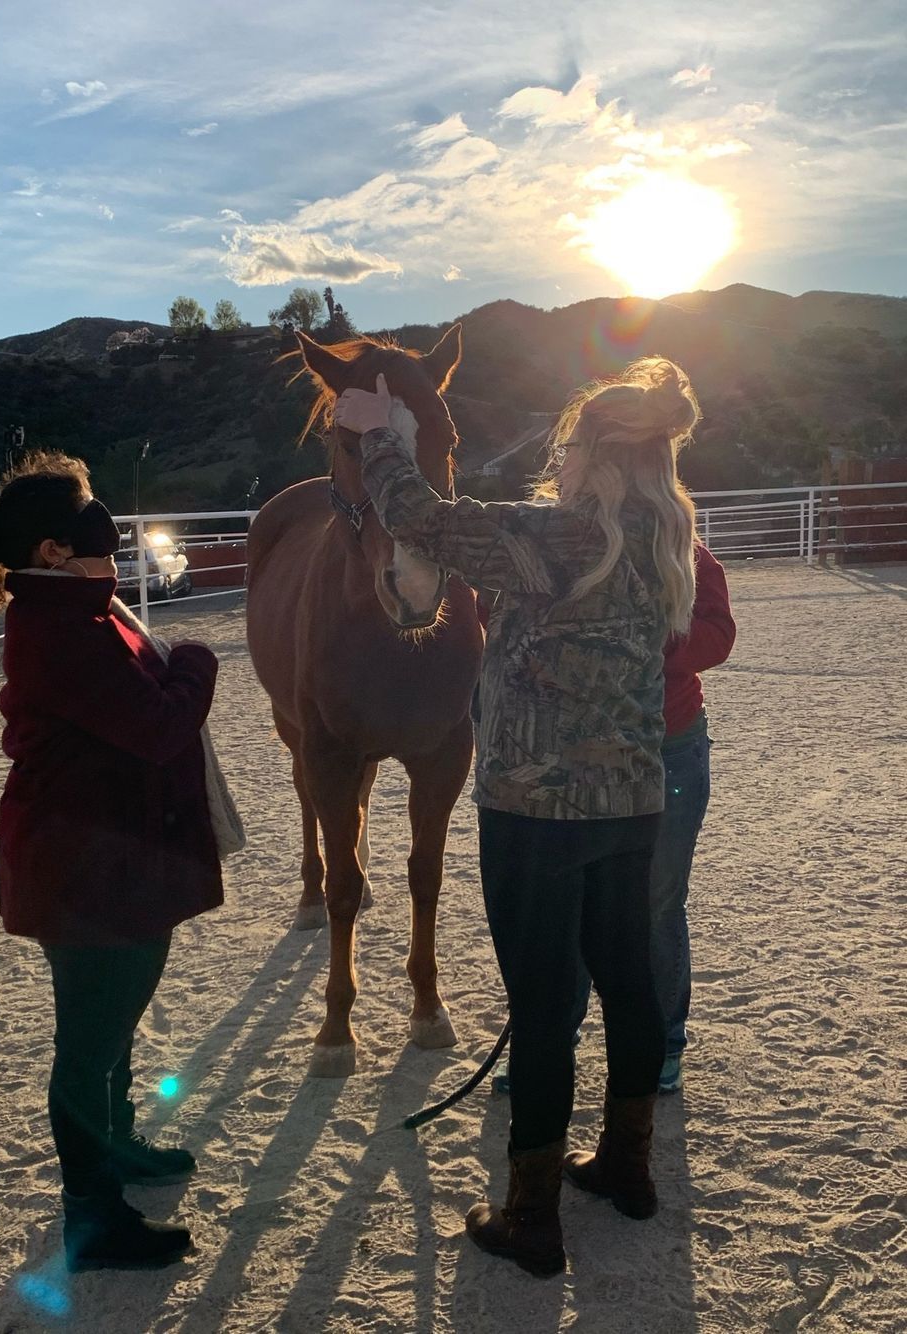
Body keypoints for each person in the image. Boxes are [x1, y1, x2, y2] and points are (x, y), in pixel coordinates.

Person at [335, 358, 700, 1278]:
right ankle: (626, 1165)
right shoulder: (664, 533)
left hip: (536, 809)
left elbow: (416, 517)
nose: (563, 458)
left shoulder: (556, 535)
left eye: (571, 444)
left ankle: (532, 1216)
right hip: (632, 797)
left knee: (540, 1011)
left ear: (595, 453)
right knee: (628, 983)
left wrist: (382, 434)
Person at [0, 453, 223, 1273]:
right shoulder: (59, 627)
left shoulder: (79, 609)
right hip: (84, 871)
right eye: (88, 514)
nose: (105, 525)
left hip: (104, 860)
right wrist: (195, 662)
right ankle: (90, 1212)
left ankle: (116, 1146)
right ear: (52, 549)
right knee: (87, 1041)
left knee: (112, 1020)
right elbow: (158, 726)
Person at [572, 542, 735, 1093]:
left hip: (668, 746)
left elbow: (717, 635)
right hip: (577, 750)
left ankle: (664, 1041)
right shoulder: (558, 538)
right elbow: (492, 606)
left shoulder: (684, 551)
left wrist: (635, 637)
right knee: (568, 898)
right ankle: (551, 1035)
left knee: (659, 902)